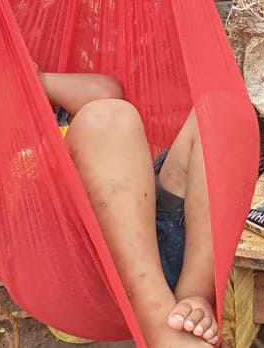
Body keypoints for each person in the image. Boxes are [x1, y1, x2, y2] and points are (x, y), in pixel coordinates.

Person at [44, 74, 222, 347]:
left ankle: (193, 297)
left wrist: (34, 78)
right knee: (101, 120)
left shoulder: (36, 92)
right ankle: (159, 323)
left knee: (216, 111)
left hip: (157, 229)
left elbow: (107, 91)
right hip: (96, 266)